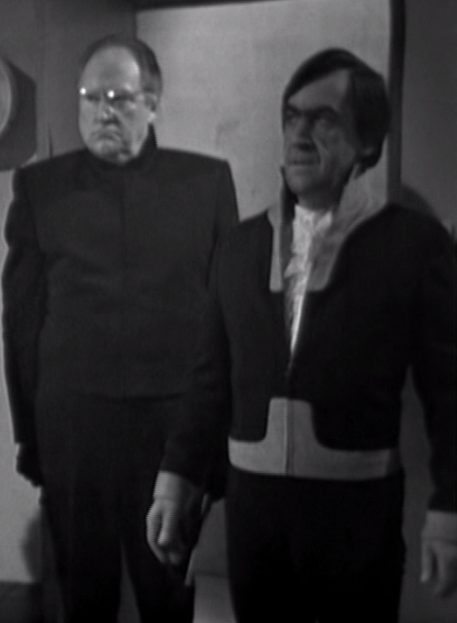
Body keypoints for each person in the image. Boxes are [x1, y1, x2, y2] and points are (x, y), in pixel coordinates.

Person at [146, 48, 457, 622]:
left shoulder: (415, 244)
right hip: (254, 513)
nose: (299, 134)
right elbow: (209, 380)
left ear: (367, 142)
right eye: (292, 116)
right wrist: (176, 479)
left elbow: (450, 390)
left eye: (324, 119)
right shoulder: (240, 246)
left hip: (357, 515)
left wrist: (450, 510)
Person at [1, 33, 239, 622]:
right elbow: (21, 322)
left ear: (152, 103)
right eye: (91, 97)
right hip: (73, 429)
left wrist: (214, 446)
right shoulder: (40, 188)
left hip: (171, 428)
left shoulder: (205, 184)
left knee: (167, 596)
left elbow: (227, 321)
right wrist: (29, 436)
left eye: (120, 98)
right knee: (84, 597)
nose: (103, 111)